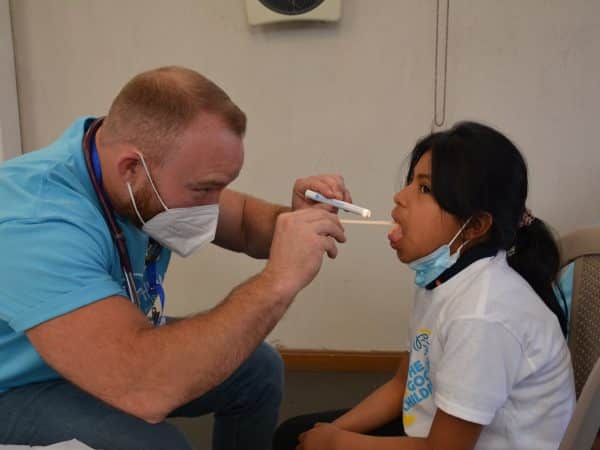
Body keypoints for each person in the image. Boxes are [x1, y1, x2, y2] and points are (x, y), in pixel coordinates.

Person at [0, 66, 351, 450]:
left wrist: (295, 219)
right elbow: (145, 386)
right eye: (204, 188)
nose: (214, 206)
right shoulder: (37, 221)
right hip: (18, 384)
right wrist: (278, 281)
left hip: (96, 346)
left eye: (221, 186)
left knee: (259, 371)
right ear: (131, 168)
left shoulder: (131, 172)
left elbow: (249, 224)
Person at [274, 122, 576, 450]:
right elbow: (403, 384)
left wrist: (336, 443)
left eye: (424, 189)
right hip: (438, 430)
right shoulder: (441, 277)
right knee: (296, 435)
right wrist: (329, 432)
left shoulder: (482, 315)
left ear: (475, 225)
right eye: (411, 183)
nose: (399, 197)